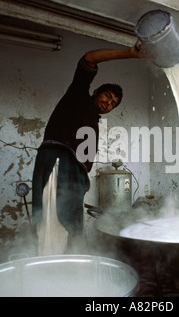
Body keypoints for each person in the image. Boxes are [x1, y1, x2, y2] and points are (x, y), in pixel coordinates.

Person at [32, 46, 144, 255]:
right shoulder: (78, 97)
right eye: (107, 97)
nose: (107, 103)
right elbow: (90, 58)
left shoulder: (93, 119)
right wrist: (132, 53)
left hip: (72, 172)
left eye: (112, 103)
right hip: (59, 162)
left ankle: (70, 267)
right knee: (53, 220)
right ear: (95, 92)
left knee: (71, 224)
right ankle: (49, 269)